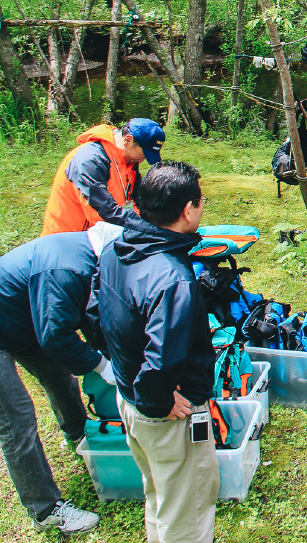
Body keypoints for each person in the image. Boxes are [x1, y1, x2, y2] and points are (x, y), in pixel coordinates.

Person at [95, 161, 219, 543]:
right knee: (188, 509)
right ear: (187, 210)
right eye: (201, 202)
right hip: (165, 414)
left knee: (161, 494)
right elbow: (162, 357)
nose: (202, 208)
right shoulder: (173, 279)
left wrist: (133, 387)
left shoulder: (118, 249)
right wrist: (158, 400)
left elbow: (95, 312)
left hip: (128, 398)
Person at [0, 223, 121, 534]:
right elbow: (55, 335)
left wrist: (113, 354)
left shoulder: (85, 257)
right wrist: (102, 367)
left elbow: (86, 314)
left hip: (22, 320)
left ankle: (80, 436)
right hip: (17, 325)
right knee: (18, 419)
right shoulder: (67, 267)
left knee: (60, 377)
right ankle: (45, 510)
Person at [42, 118, 166, 237]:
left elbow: (139, 199)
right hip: (70, 241)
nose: (143, 160)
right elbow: (104, 213)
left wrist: (162, 223)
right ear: (128, 140)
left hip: (103, 236)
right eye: (144, 154)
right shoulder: (90, 160)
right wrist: (148, 229)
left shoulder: (129, 159)